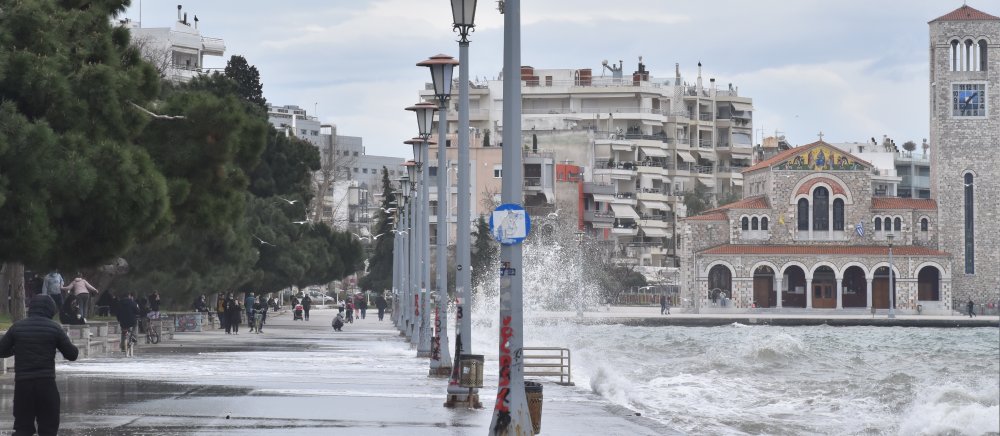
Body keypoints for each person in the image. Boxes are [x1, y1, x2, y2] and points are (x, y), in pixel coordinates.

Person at [0, 295, 79, 436]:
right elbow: (72, 354)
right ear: (51, 309)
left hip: (23, 385)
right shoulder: (55, 328)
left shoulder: (17, 327)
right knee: (48, 428)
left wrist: (15, 349)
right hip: (46, 383)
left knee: (22, 428)